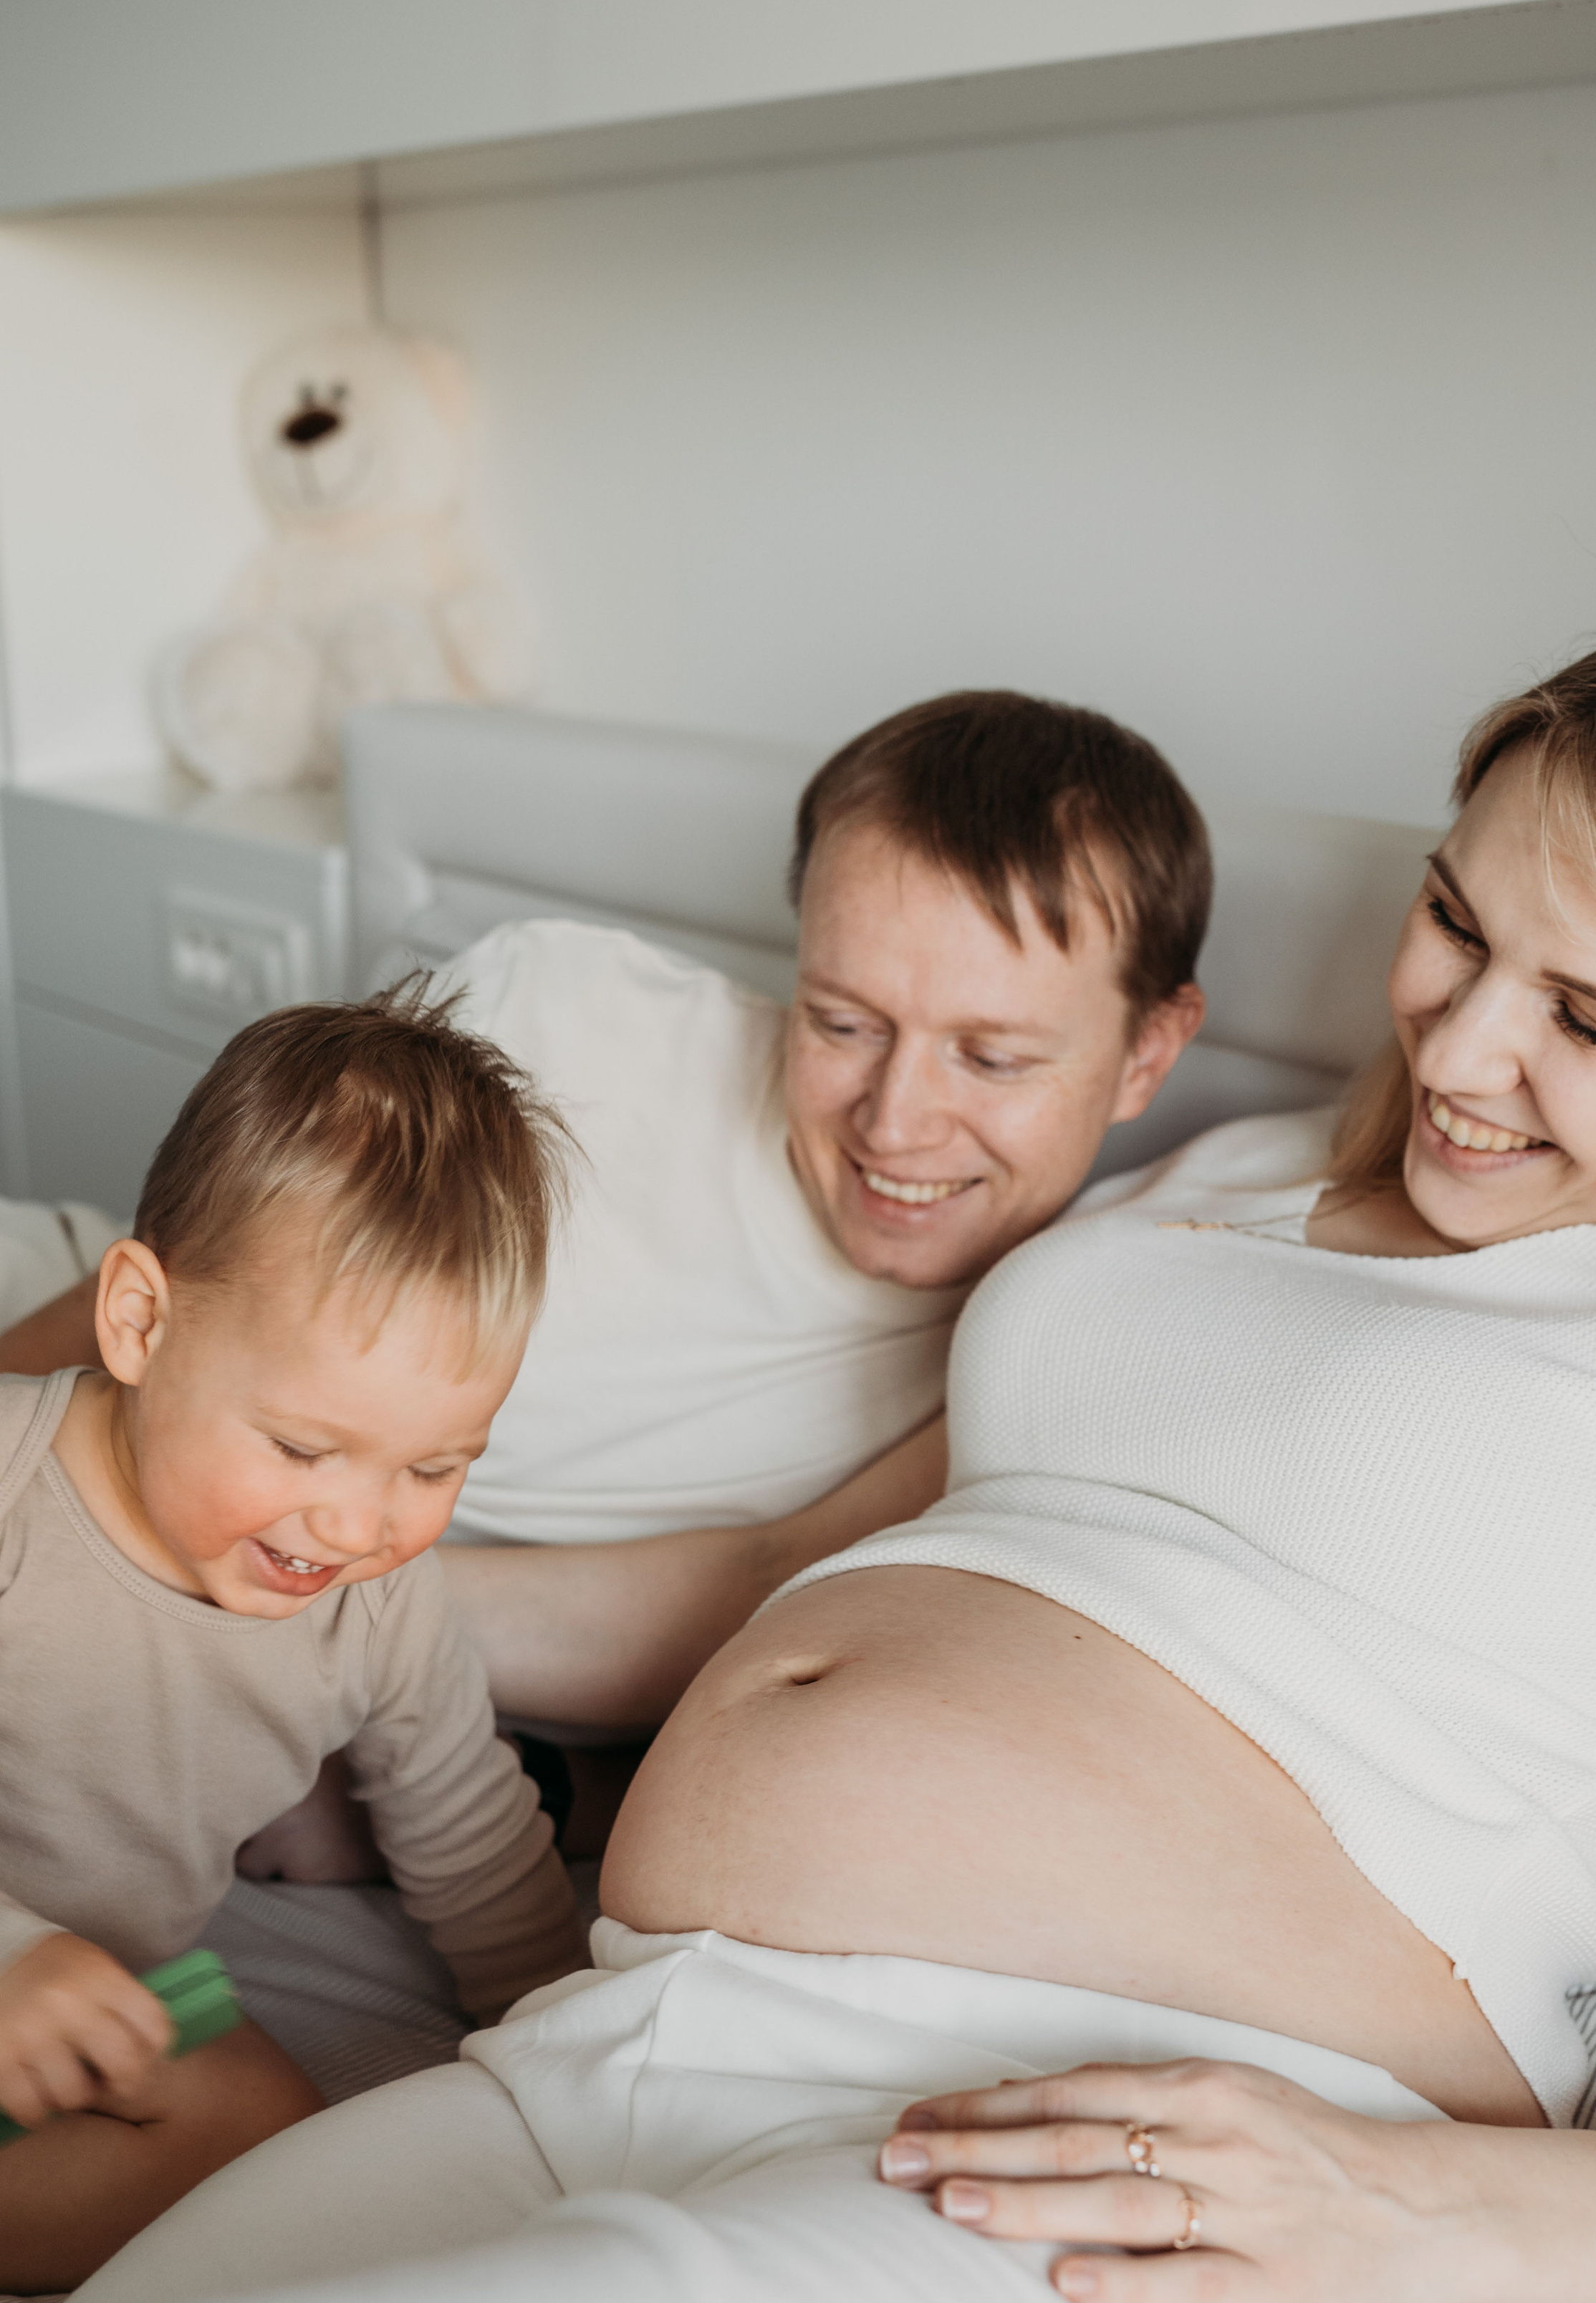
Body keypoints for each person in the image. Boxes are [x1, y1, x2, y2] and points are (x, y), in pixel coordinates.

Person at [6, 603, 1596, 2303]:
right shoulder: (1226, 1184)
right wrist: (239, 1564)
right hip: (630, 2038)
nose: (1459, 1041)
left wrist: (1425, 2212)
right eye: (1454, 924)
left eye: (1587, 1016)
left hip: (1124, 2170)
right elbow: (783, 1575)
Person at [1, 694, 1211, 1817]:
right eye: (842, 1024)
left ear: (1152, 1053)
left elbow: (755, 1587)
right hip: (88, 1379)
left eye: (991, 1060)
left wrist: (287, 1647)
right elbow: (195, 1276)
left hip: (244, 1566)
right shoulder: (573, 1019)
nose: (895, 1122)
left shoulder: (1053, 1328)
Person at [0, 987, 588, 2294]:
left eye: (437, 1466)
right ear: (139, 1323)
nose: (360, 1522)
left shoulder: (374, 1599)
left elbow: (471, 1838)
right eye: (303, 1447)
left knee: (271, 2130)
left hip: (95, 2012)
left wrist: (572, 2041)